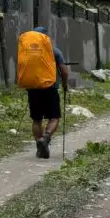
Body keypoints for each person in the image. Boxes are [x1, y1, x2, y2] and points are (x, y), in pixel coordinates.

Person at [26, 26, 69, 159]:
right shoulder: (54, 51)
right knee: (54, 117)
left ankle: (39, 144)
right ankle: (45, 138)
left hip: (33, 89)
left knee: (36, 119)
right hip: (50, 89)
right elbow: (64, 72)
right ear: (45, 37)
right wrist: (64, 84)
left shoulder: (27, 51)